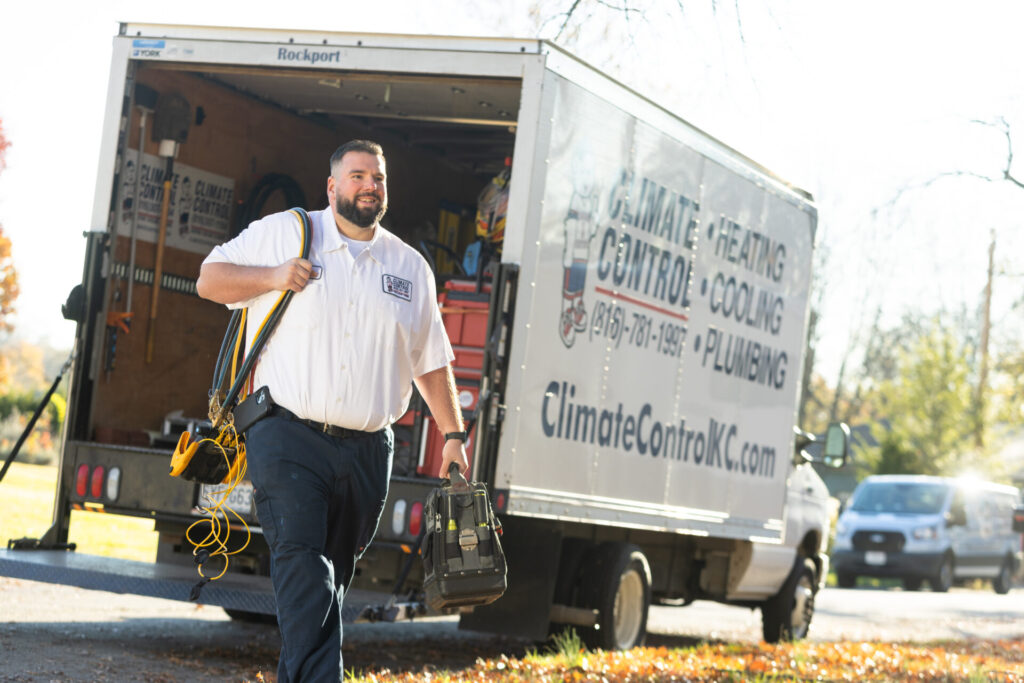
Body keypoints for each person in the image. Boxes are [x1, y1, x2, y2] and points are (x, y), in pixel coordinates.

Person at [195, 139, 468, 682]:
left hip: (368, 451)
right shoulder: (287, 232)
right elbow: (210, 279)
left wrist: (454, 437)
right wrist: (273, 276)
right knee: (304, 566)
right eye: (358, 175)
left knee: (327, 584)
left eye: (379, 178)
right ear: (332, 186)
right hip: (288, 436)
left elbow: (431, 362)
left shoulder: (410, 268)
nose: (370, 185)